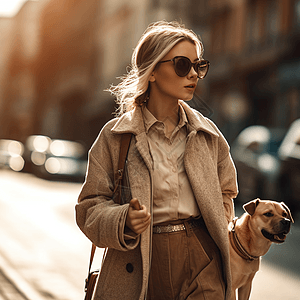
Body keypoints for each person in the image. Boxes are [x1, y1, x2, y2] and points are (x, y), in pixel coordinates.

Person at [75, 20, 238, 300]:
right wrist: (124, 219)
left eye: (198, 66)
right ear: (151, 72)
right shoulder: (115, 137)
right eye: (181, 65)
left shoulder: (208, 135)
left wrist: (215, 228)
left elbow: (227, 190)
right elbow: (88, 208)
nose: (193, 75)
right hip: (140, 260)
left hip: (203, 259)